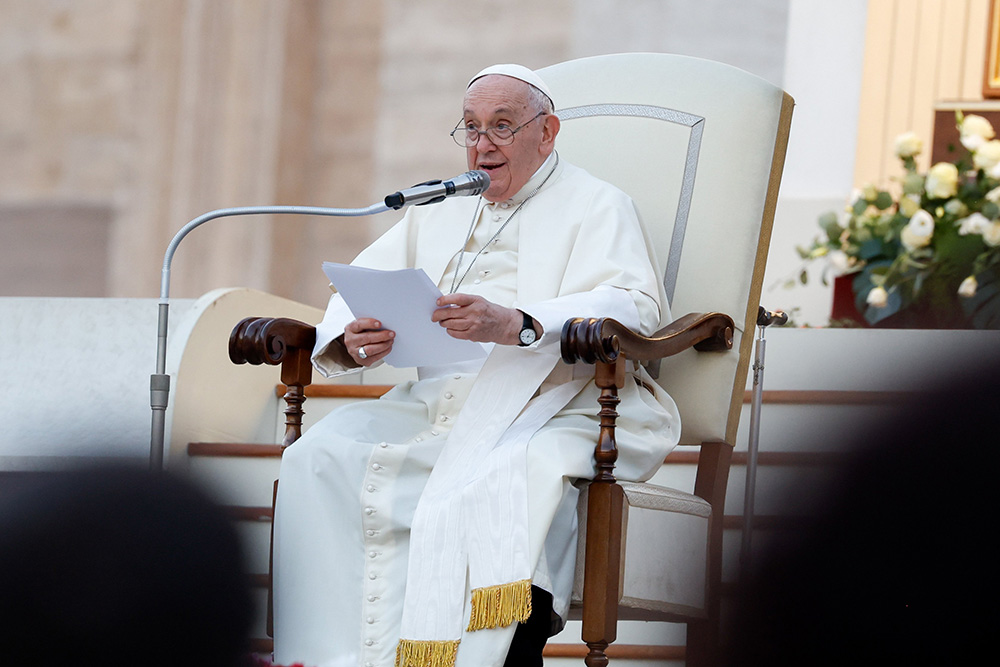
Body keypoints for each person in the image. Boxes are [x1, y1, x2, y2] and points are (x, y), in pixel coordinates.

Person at [272, 64, 680, 667]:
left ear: (547, 133)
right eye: (470, 128)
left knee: (510, 473)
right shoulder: (437, 207)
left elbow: (632, 307)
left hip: (552, 399)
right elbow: (361, 289)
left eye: (502, 126)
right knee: (316, 456)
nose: (482, 143)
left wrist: (516, 322)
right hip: (434, 402)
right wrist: (354, 335)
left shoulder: (598, 204)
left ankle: (500, 654)